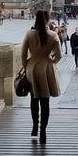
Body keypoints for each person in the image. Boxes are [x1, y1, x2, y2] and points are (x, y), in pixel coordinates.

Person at [21, 10, 62, 144]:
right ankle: (43, 131)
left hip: (32, 67)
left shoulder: (29, 34)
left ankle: (34, 127)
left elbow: (23, 54)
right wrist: (52, 62)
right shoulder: (53, 35)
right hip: (46, 68)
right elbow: (59, 55)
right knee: (45, 101)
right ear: (48, 20)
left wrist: (27, 65)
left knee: (34, 99)